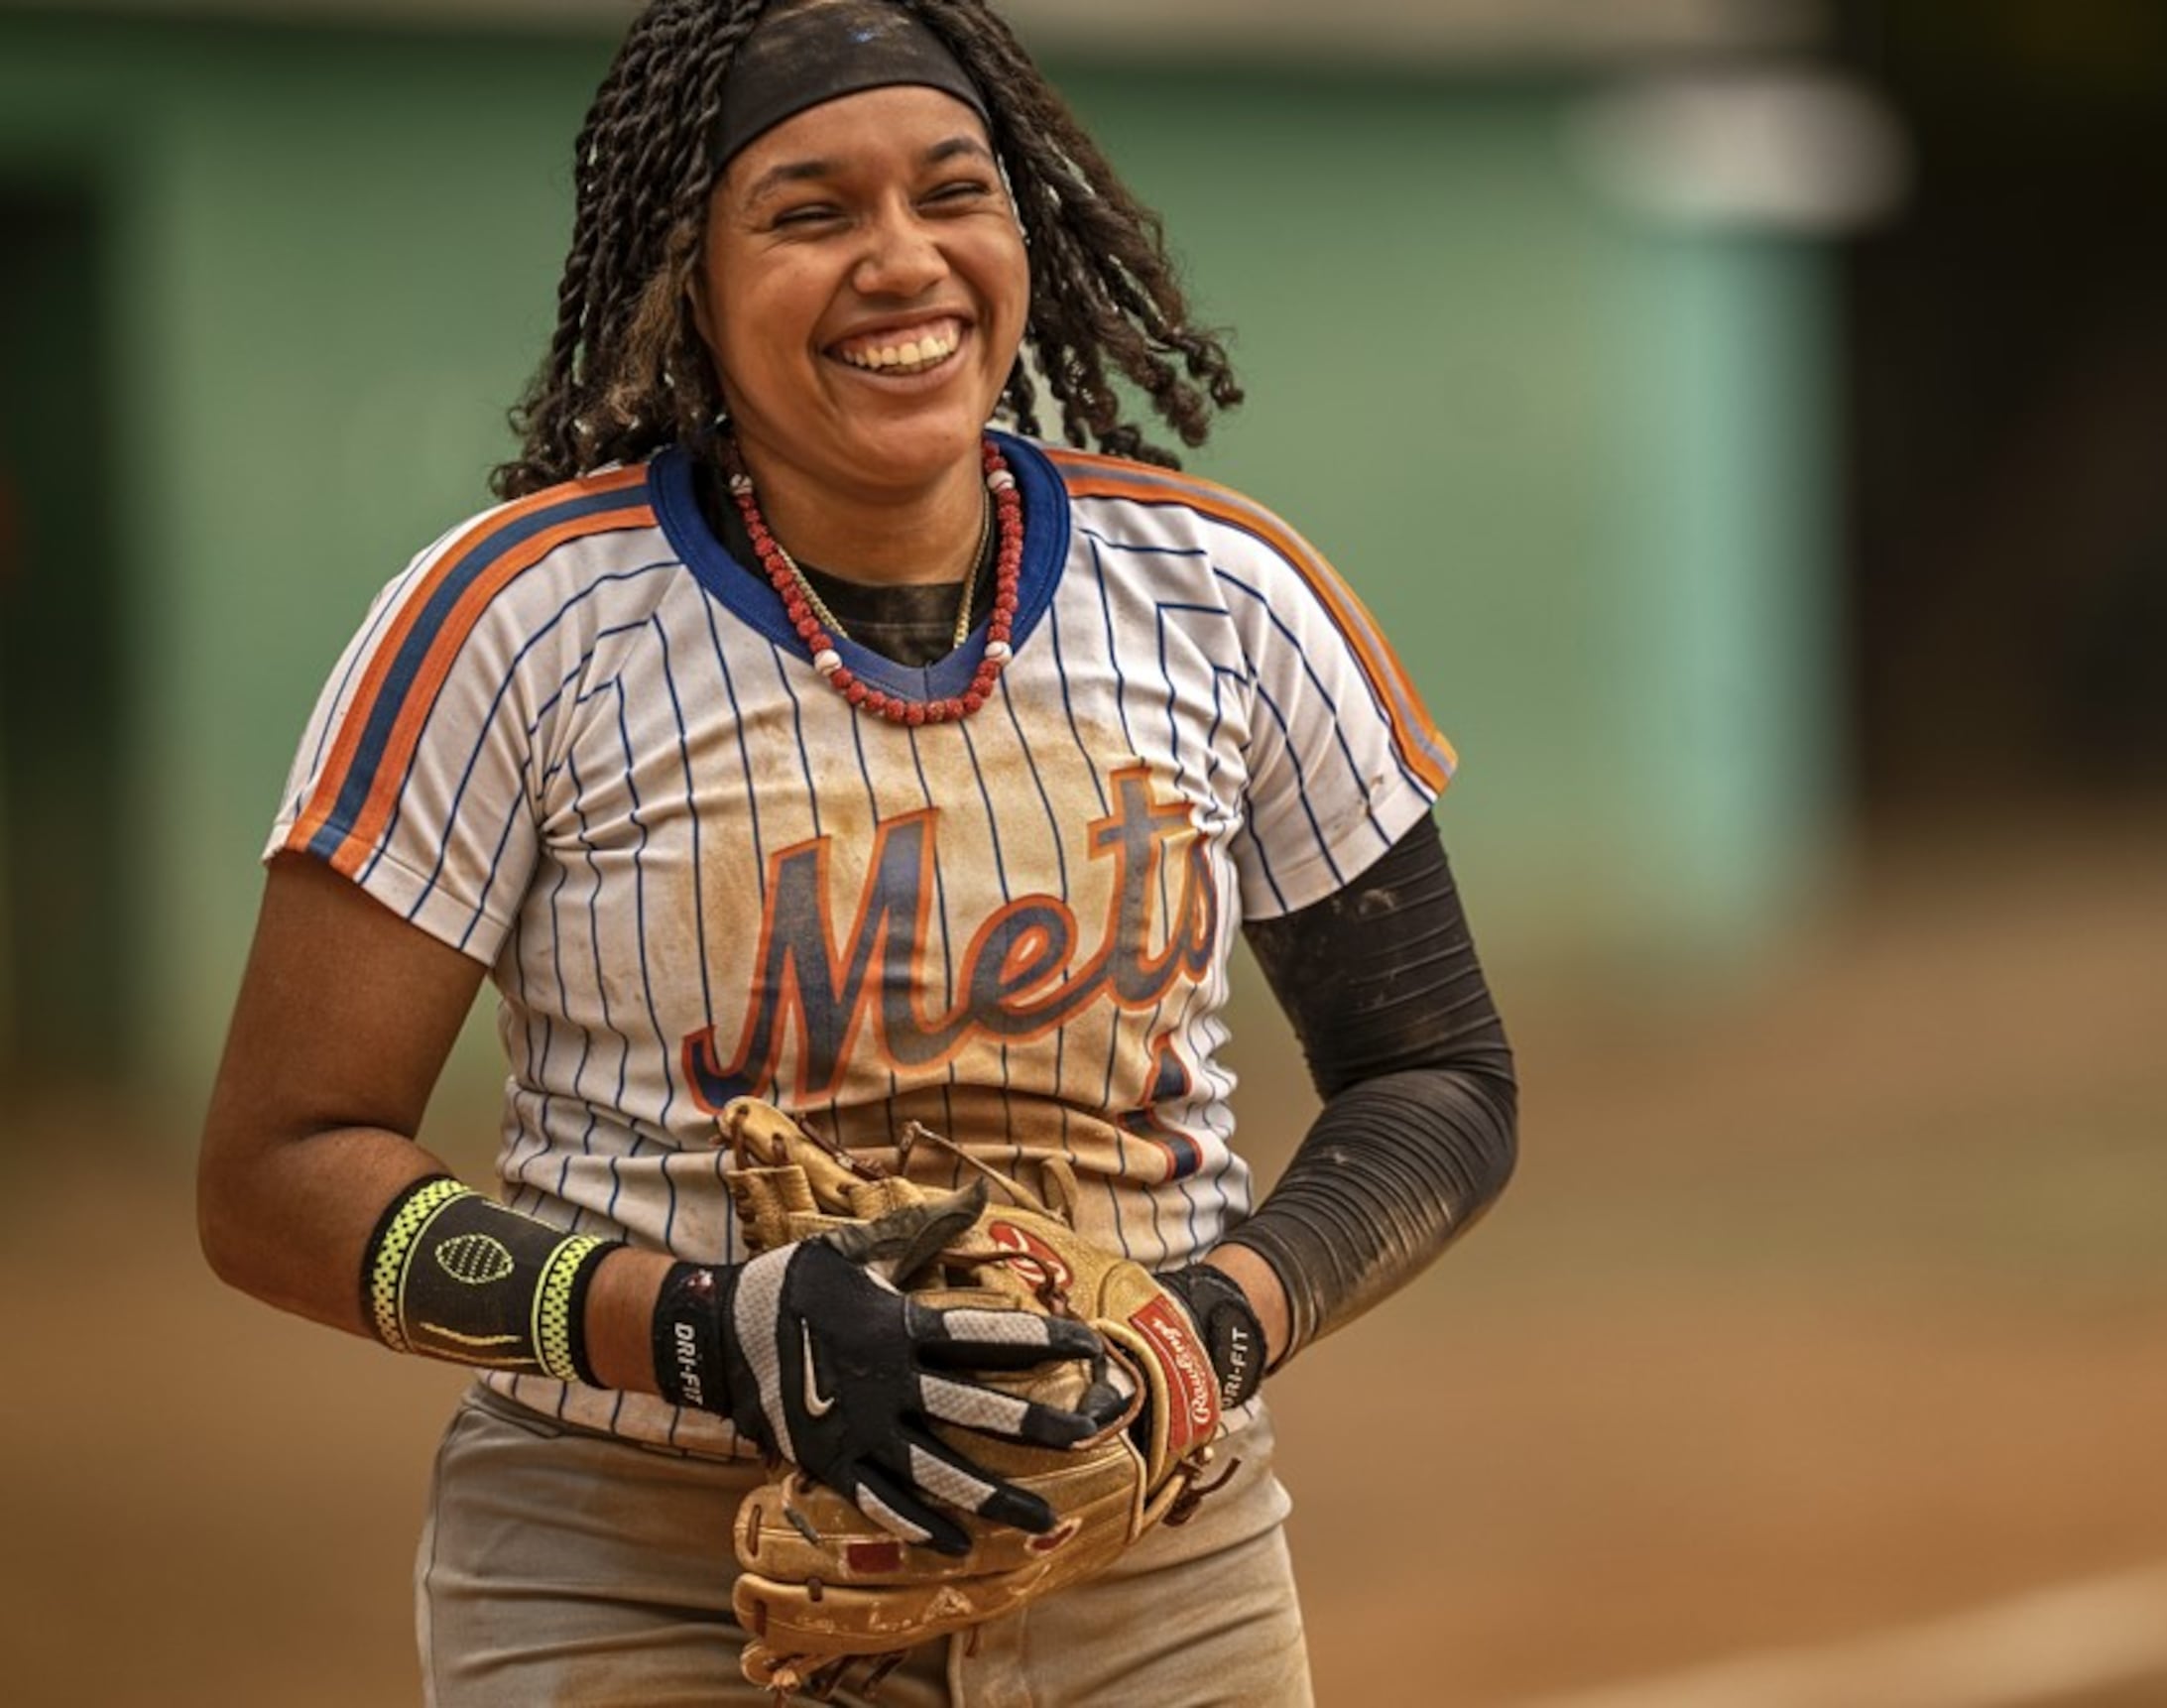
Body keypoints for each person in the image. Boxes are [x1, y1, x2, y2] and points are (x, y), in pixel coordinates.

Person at [195, 1, 1517, 1702]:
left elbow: (1440, 1074)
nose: (903, 262)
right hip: (654, 1564)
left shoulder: (1229, 598)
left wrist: (1205, 1335)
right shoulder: (511, 627)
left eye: (953, 194)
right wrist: (702, 1329)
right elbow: (276, 1173)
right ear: (688, 272)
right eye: (810, 213)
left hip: (1148, 1554)